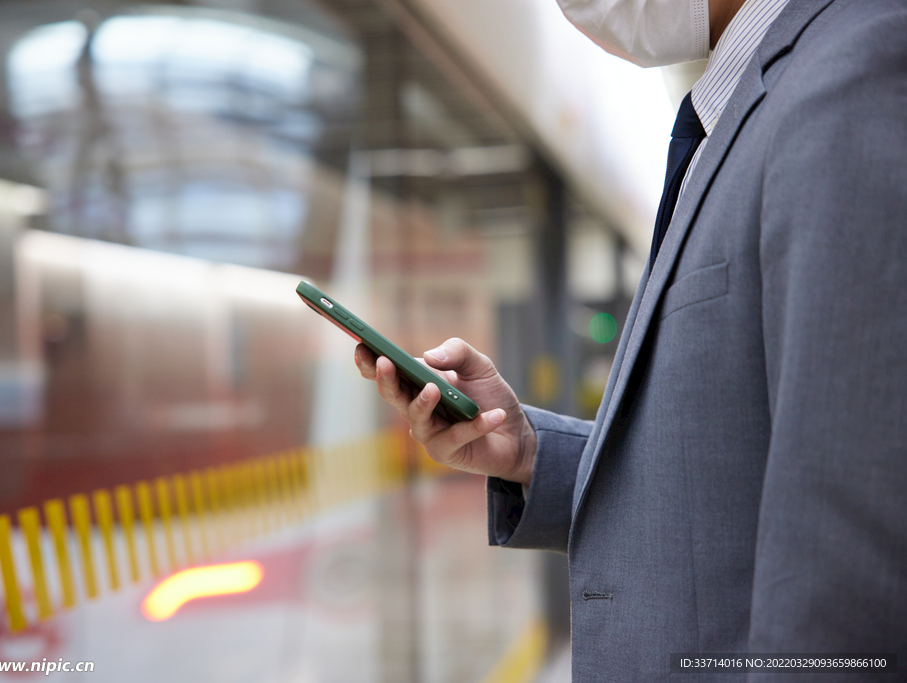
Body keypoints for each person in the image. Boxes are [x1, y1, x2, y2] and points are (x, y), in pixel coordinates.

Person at [354, 0, 907, 679]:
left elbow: (850, 569)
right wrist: (530, 452)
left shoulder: (857, 73)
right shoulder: (759, 101)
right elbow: (742, 463)